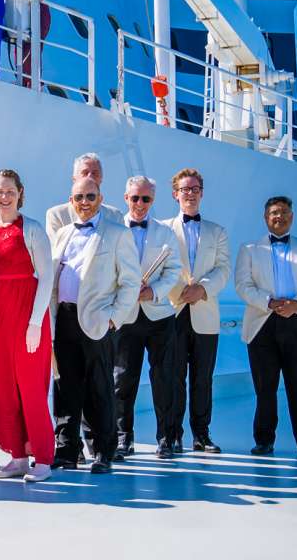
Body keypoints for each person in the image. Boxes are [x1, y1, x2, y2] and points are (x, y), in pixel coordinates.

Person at [51, 176, 141, 473]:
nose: (85, 203)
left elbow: (130, 282)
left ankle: (104, 451)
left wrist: (114, 317)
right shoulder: (62, 233)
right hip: (63, 319)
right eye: (79, 198)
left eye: (90, 197)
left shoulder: (117, 234)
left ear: (100, 199)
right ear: (71, 200)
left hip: (97, 321)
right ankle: (66, 450)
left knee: (100, 389)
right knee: (65, 388)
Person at [0, 169, 56, 482]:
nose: (4, 197)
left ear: (20, 193)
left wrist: (35, 323)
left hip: (25, 315)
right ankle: (18, 457)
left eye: (10, 191)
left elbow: (46, 276)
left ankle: (43, 458)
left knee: (30, 387)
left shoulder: (31, 229)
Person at [235, 196, 297, 458]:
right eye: (274, 213)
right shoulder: (249, 248)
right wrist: (270, 303)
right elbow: (243, 286)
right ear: (266, 218)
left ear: (292, 216)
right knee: (265, 387)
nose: (280, 217)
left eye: (285, 212)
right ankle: (264, 441)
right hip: (262, 323)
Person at [159, 168, 231, 454]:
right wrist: (181, 292)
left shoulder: (218, 231)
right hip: (174, 312)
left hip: (205, 312)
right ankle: (173, 435)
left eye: (195, 188)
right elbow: (161, 267)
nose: (190, 193)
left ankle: (201, 435)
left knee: (203, 378)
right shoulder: (163, 229)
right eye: (184, 189)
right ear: (175, 194)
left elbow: (223, 268)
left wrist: (201, 289)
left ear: (201, 192)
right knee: (172, 377)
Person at [113, 175, 184, 459]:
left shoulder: (165, 233)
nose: (140, 204)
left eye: (146, 199)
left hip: (158, 316)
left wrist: (153, 291)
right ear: (126, 198)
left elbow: (174, 270)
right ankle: (122, 439)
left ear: (153, 200)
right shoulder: (115, 230)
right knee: (122, 381)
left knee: (164, 379)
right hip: (126, 315)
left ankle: (166, 439)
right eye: (135, 198)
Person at [45, 153, 122, 241]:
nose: (90, 177)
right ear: (74, 179)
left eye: (95, 173)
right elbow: (56, 251)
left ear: (101, 179)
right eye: (85, 173)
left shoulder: (115, 216)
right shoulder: (58, 216)